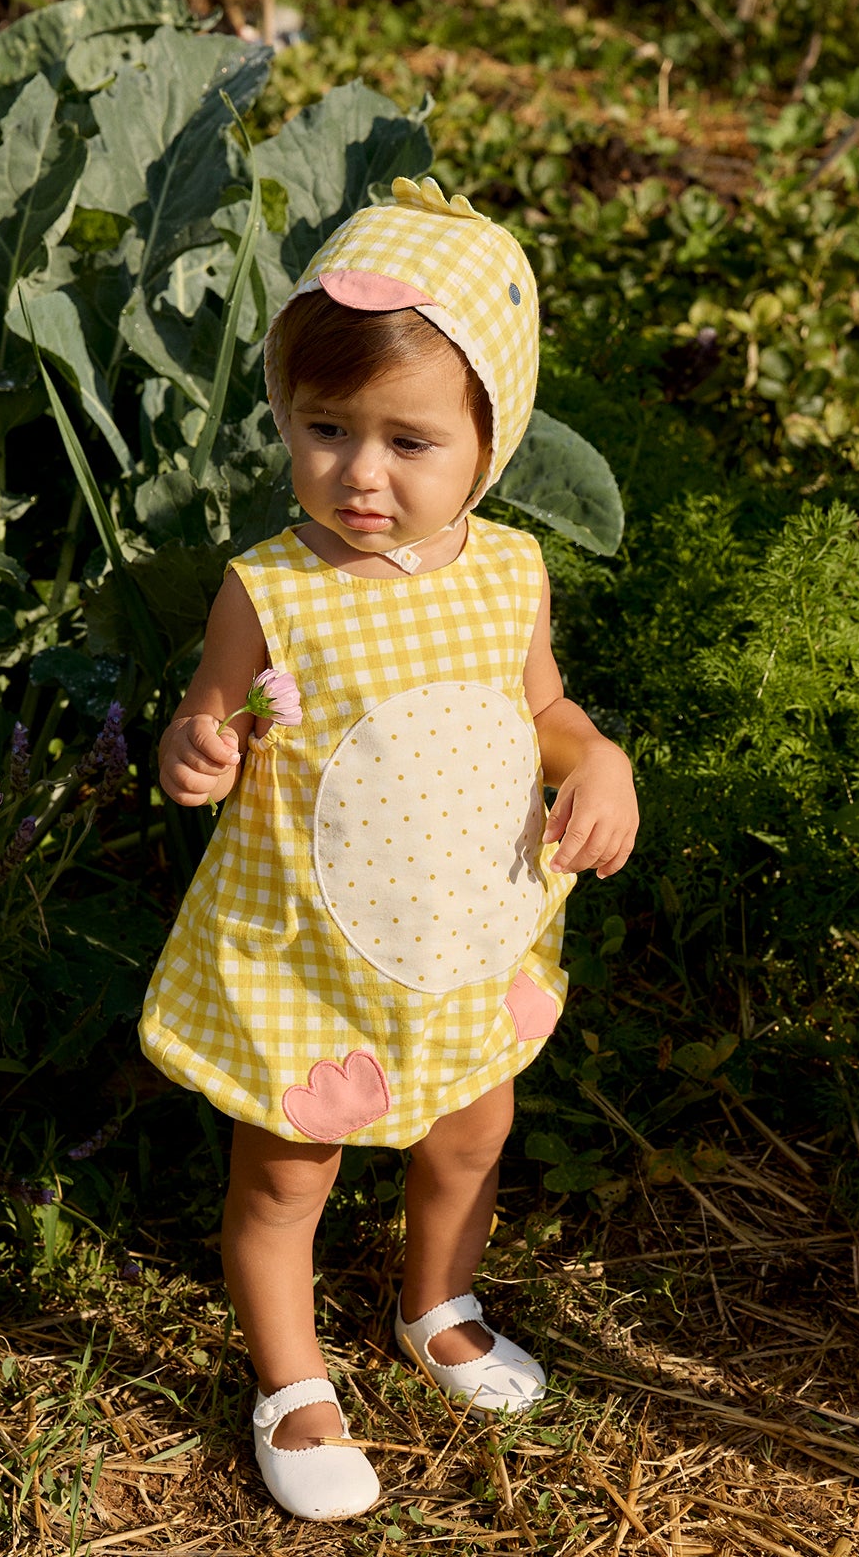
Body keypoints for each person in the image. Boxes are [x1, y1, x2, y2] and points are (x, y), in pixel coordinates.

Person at [139, 176, 639, 1520]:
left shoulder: (511, 574)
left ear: (494, 439)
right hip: (308, 952)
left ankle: (439, 1300)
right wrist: (200, 747)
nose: (359, 472)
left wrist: (597, 759)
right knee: (286, 1166)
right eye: (324, 429)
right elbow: (211, 715)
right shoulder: (270, 590)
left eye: (408, 441)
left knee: (475, 1130)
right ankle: (293, 1380)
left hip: (466, 935)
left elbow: (541, 708)